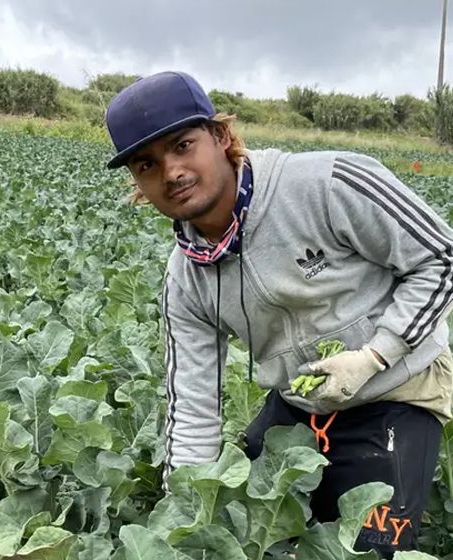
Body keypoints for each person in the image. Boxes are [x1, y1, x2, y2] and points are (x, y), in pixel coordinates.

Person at [104, 71, 453, 556]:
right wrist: (184, 513)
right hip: (300, 404)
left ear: (221, 137)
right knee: (237, 523)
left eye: (183, 145)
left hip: (398, 391)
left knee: (372, 547)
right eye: (147, 164)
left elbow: (441, 257)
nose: (172, 173)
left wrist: (375, 355)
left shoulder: (326, 184)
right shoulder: (186, 277)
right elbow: (193, 402)